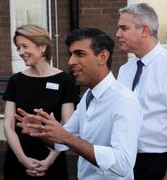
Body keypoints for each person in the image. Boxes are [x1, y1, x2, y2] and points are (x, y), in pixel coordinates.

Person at [15, 27, 142, 180]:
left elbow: (123, 164)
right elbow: (61, 142)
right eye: (71, 54)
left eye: (79, 54)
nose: (71, 61)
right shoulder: (89, 96)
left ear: (102, 57)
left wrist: (65, 137)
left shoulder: (124, 100)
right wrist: (41, 129)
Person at [3, 24, 79, 179]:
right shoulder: (15, 80)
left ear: (42, 47)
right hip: (18, 159)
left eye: (24, 46)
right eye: (18, 48)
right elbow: (8, 125)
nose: (20, 52)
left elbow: (67, 125)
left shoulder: (65, 80)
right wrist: (23, 159)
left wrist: (48, 161)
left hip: (52, 161)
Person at [116, 3, 167, 180]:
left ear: (144, 30)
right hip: (126, 162)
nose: (118, 34)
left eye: (124, 28)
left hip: (160, 162)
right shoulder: (125, 70)